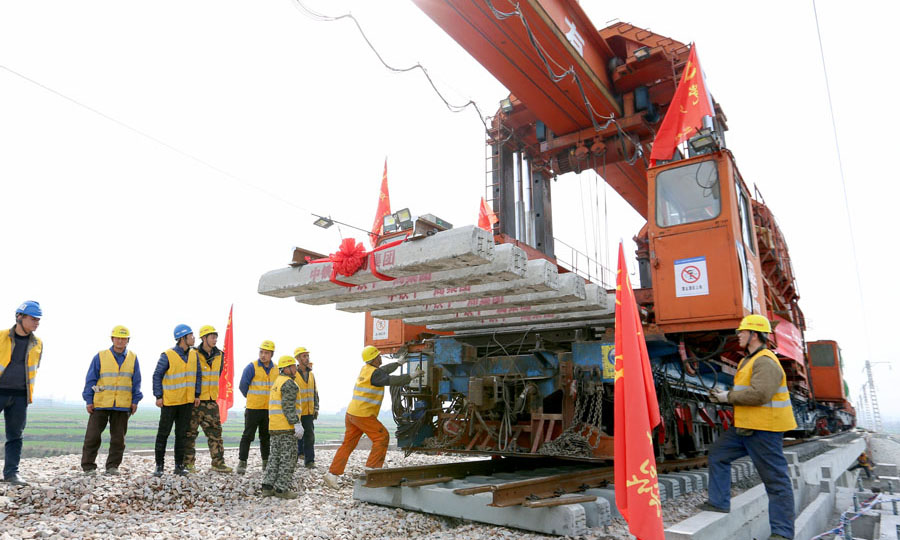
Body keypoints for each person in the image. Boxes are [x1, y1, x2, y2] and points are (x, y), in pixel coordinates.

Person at [702, 314, 796, 540]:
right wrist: (723, 397)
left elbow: (760, 395)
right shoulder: (748, 360)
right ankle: (718, 502)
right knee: (718, 454)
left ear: (755, 335)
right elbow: (746, 392)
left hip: (764, 430)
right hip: (744, 428)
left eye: (743, 332)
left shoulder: (766, 361)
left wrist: (727, 397)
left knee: (776, 481)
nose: (739, 335)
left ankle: (782, 534)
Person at [323, 345, 422, 489]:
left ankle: (332, 475)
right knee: (382, 437)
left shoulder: (367, 369)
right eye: (378, 356)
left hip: (352, 414)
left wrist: (399, 363)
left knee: (347, 445)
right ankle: (373, 470)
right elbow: (393, 380)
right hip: (363, 415)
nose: (380, 358)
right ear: (374, 359)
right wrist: (411, 376)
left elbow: (383, 371)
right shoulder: (375, 375)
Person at [81, 325, 142, 476]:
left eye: (123, 338)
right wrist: (89, 400)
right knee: (92, 436)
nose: (120, 341)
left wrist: (135, 401)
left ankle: (112, 466)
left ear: (128, 340)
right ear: (112, 339)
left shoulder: (133, 358)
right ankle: (88, 466)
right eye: (118, 338)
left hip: (122, 404)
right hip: (101, 403)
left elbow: (136, 381)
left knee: (118, 439)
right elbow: (91, 379)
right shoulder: (100, 356)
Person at [0, 301, 43, 486]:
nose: (37, 323)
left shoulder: (38, 343)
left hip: (20, 396)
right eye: (33, 318)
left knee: (15, 435)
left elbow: (35, 367)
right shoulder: (1, 336)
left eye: (38, 319)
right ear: (20, 317)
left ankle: (11, 474)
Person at [152, 324, 201, 477]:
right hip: (170, 402)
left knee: (181, 435)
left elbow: (198, 376)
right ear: (182, 338)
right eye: (191, 336)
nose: (193, 338)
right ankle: (159, 466)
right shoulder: (167, 355)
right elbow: (157, 376)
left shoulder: (194, 355)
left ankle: (179, 466)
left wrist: (197, 394)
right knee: (163, 434)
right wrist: (158, 396)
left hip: (186, 402)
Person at [184, 325, 232, 473]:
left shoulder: (220, 355)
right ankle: (188, 464)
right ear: (204, 338)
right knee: (190, 434)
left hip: (211, 401)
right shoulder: (193, 353)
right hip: (195, 401)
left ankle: (218, 463)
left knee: (216, 434)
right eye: (212, 336)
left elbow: (217, 375)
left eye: (216, 336)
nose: (215, 339)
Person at [262, 355, 304, 499]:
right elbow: (288, 407)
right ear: (286, 369)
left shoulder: (277, 382)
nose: (295, 368)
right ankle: (281, 489)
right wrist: (296, 423)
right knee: (288, 458)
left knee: (274, 457)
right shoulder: (289, 384)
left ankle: (267, 487)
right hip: (286, 427)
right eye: (293, 366)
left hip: (274, 427)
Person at [236, 340, 278, 475]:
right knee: (248, 436)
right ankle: (242, 462)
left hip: (268, 410)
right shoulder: (251, 367)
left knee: (266, 437)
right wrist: (252, 398)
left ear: (272, 354)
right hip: (253, 408)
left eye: (266, 353)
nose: (263, 355)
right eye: (261, 352)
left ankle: (266, 462)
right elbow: (243, 386)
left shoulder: (276, 369)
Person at [293, 346, 318, 469]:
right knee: (295, 436)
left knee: (309, 436)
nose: (307, 358)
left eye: (307, 356)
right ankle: (295, 458)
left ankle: (309, 461)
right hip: (297, 412)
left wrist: (316, 408)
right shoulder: (293, 375)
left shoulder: (311, 374)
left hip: (308, 411)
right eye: (304, 356)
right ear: (297, 358)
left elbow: (315, 392)